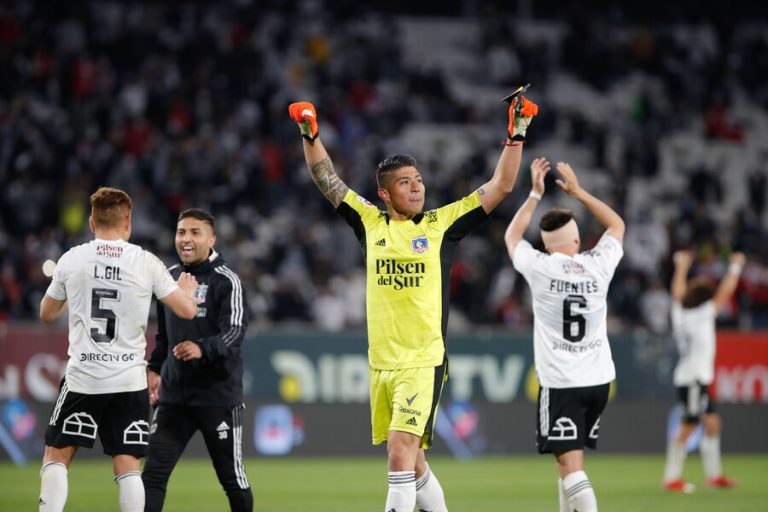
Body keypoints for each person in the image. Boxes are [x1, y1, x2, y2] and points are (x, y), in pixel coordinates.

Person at [288, 92, 538, 512]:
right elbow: (327, 179)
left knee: (399, 454)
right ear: (384, 194)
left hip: (423, 360)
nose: (417, 186)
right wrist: (309, 132)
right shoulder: (369, 222)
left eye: (418, 180)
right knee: (415, 460)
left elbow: (501, 186)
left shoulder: (442, 225)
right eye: (405, 182)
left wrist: (516, 133)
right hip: (382, 361)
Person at [38, 187, 198, 512]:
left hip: (84, 378)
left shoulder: (73, 258)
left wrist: (73, 291)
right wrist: (186, 290)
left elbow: (46, 314)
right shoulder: (146, 261)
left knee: (57, 454)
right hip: (129, 382)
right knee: (128, 466)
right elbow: (187, 311)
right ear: (128, 222)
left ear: (92, 223)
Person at [504, 158, 625, 512]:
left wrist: (534, 194)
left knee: (570, 469)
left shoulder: (539, 266)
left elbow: (512, 236)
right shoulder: (598, 264)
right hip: (600, 381)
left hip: (561, 383)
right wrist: (578, 191)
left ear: (544, 244)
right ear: (577, 239)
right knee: (568, 466)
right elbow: (616, 224)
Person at [142, 208, 253, 511]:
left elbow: (234, 333)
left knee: (232, 479)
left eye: (195, 232)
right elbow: (163, 337)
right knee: (151, 477)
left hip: (217, 397)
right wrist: (153, 368)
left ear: (211, 239)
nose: (186, 239)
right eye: (181, 232)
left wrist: (203, 348)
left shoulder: (227, 281)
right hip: (174, 399)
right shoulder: (170, 278)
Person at [661, 250, 745, 493]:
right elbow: (725, 291)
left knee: (712, 423)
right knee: (689, 425)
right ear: (704, 299)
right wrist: (736, 267)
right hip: (693, 379)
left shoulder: (680, 314)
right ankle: (671, 477)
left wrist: (681, 267)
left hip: (691, 377)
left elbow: (677, 292)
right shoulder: (703, 314)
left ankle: (714, 475)